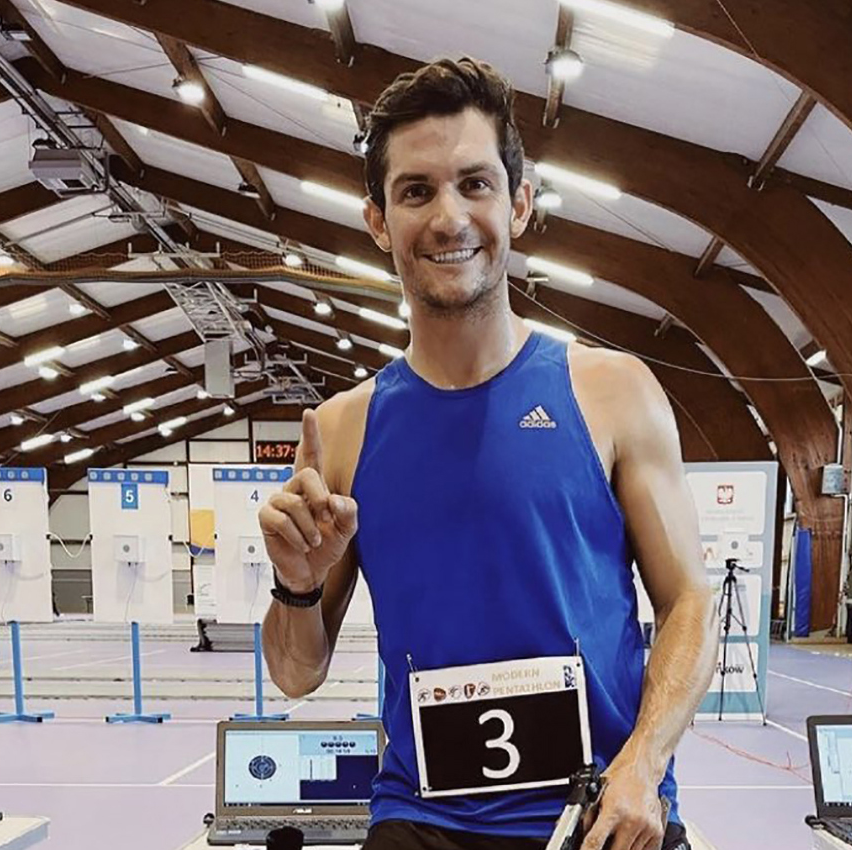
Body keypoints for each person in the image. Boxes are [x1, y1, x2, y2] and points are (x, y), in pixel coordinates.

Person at [258, 58, 716, 850]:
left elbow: (689, 604)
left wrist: (644, 761)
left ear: (520, 203)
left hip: (603, 813)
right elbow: (297, 674)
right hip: (424, 821)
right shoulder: (342, 429)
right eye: (415, 191)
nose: (448, 217)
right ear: (376, 221)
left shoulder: (611, 391)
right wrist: (296, 588)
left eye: (474, 183)